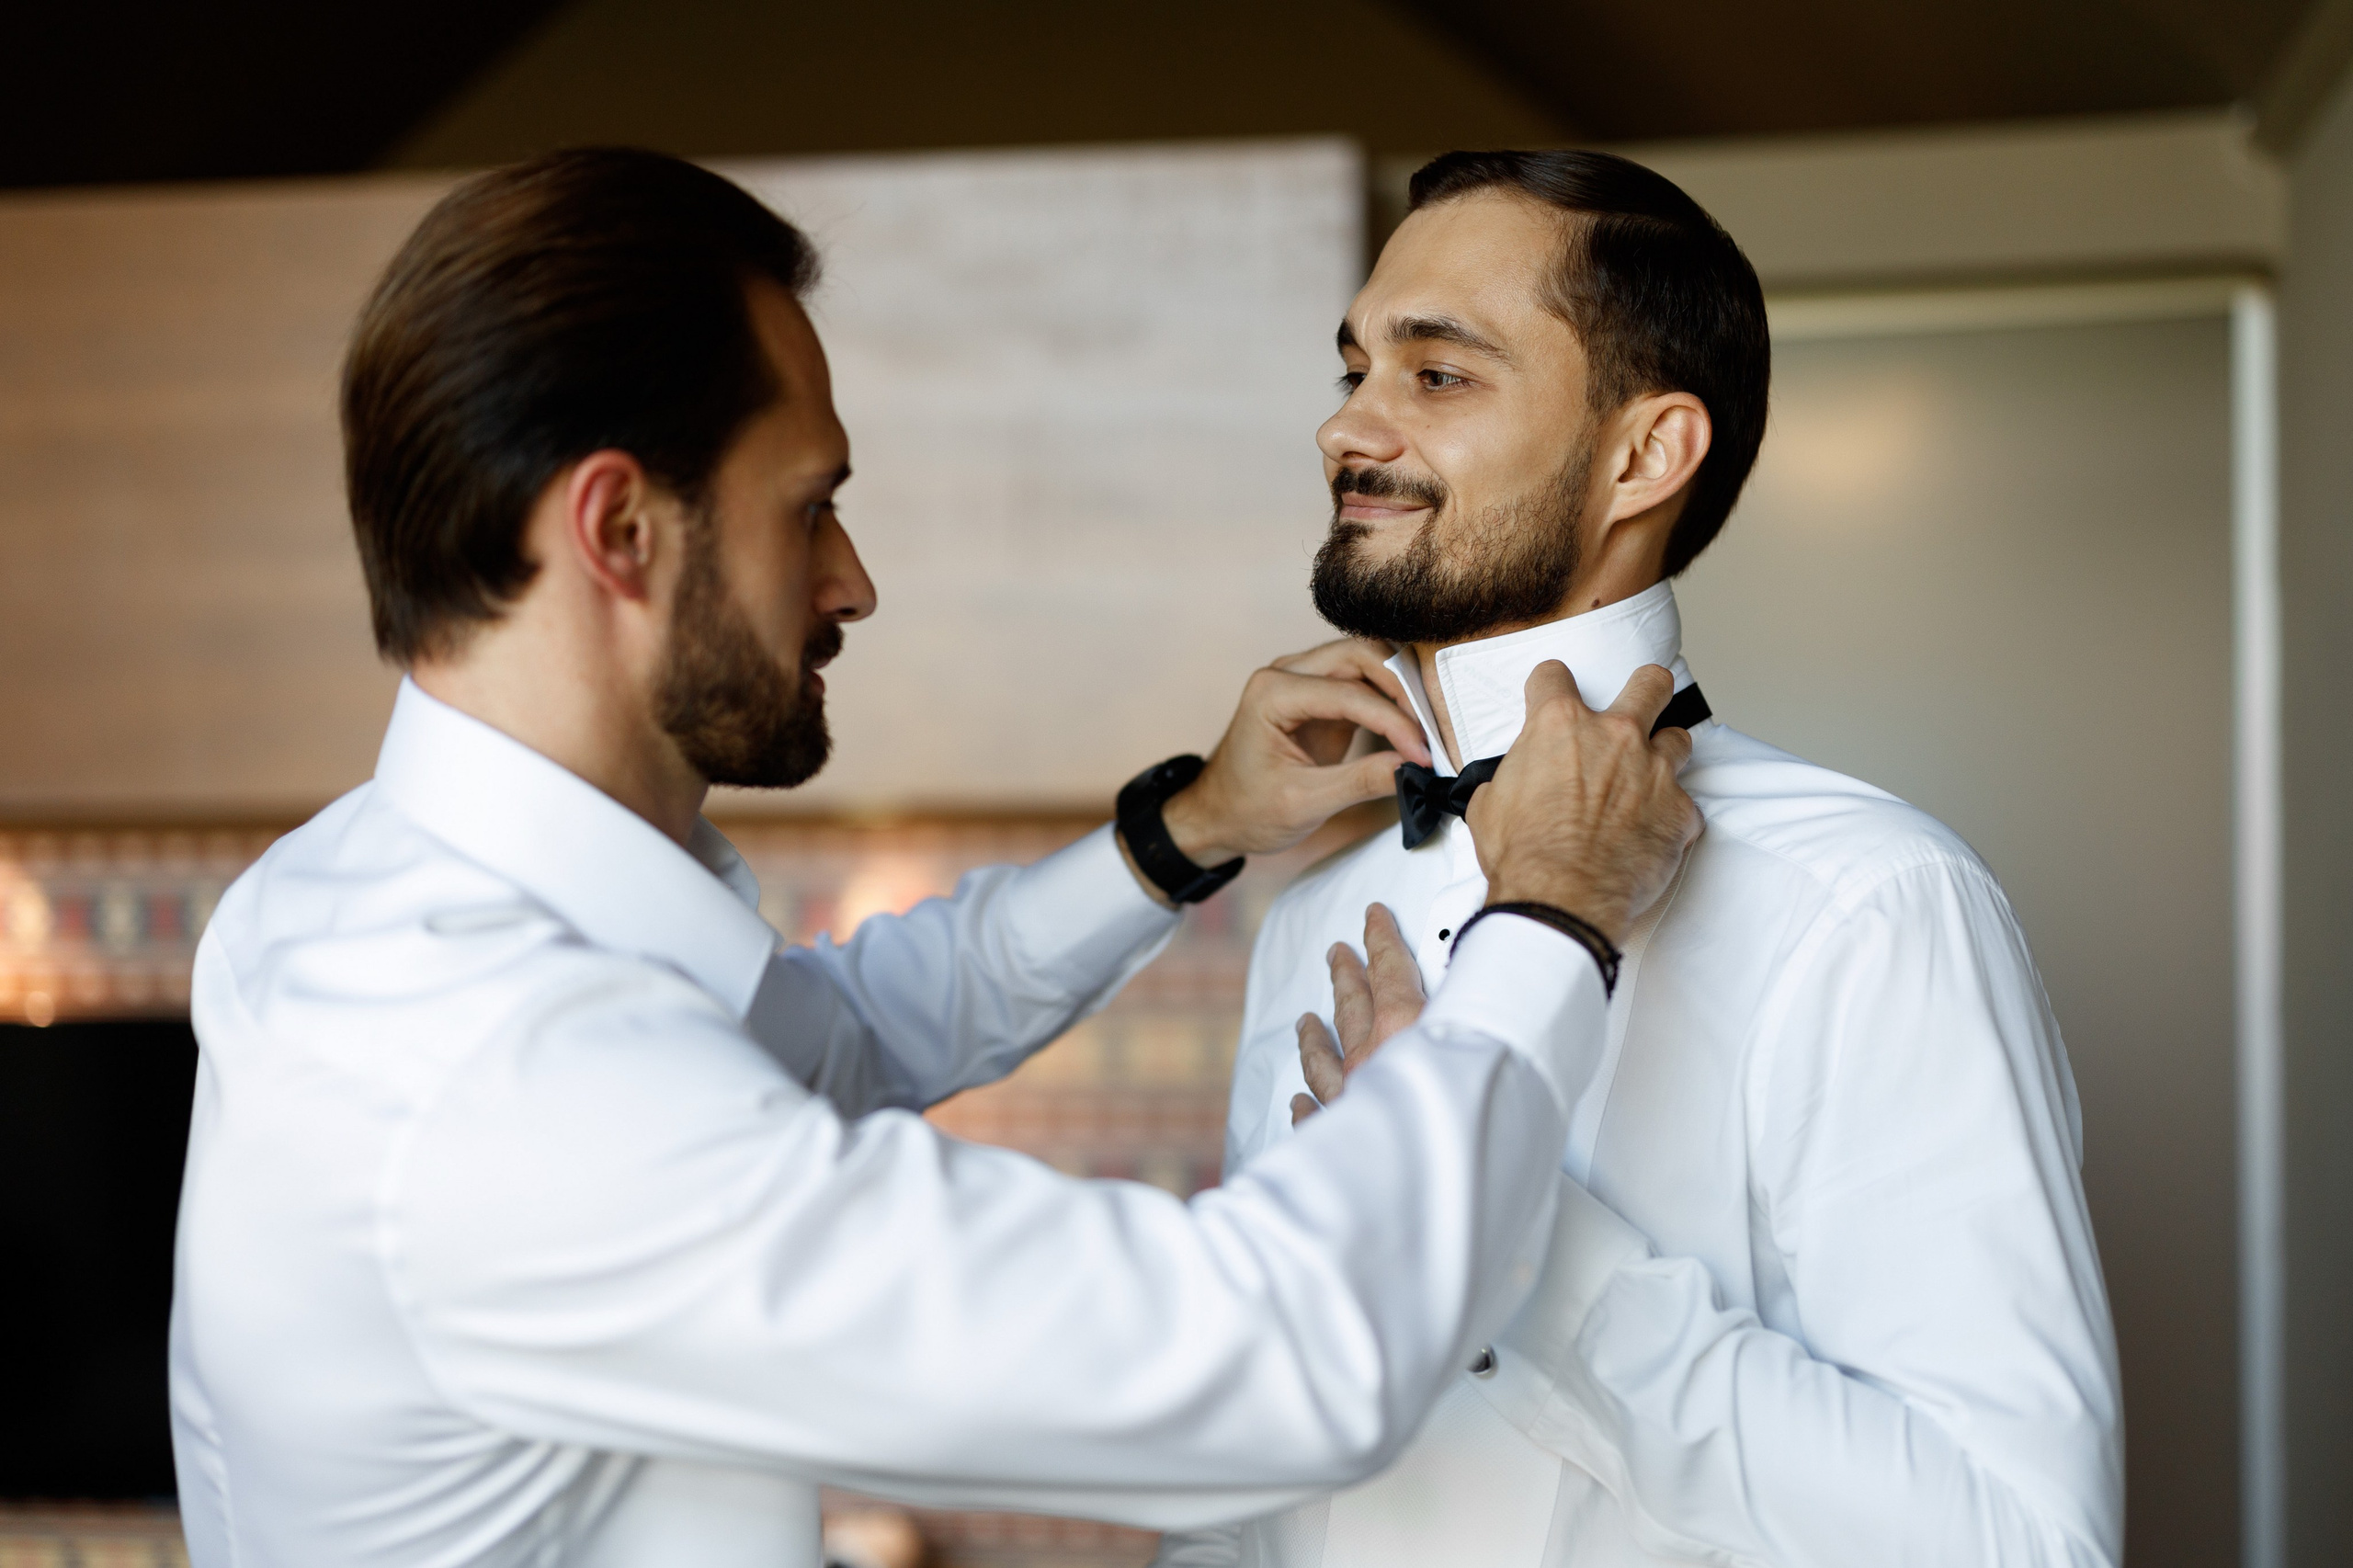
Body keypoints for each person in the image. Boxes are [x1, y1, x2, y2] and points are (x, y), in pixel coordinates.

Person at [165, 149, 1704, 1568]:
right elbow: (1275, 1358)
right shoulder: (505, 1084)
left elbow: (847, 1030)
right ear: (621, 528)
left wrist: (1190, 830)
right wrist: (1553, 912)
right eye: (810, 505)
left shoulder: (352, 898)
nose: (855, 579)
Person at [1154, 151, 2123, 1568]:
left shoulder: (1868, 902)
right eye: (1355, 366)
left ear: (1645, 454)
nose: (1343, 428)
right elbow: (1262, 1461)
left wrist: (1505, 1236)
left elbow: (2020, 1542)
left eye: (1437, 376)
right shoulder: (1316, 915)